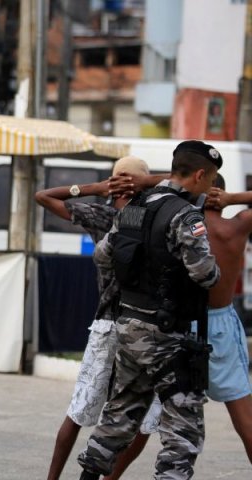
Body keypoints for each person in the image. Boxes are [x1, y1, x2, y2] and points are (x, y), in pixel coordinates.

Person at [77, 140, 222, 479]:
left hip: (128, 325)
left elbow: (102, 255)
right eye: (211, 179)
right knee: (183, 432)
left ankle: (87, 476)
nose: (211, 187)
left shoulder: (134, 208)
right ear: (200, 175)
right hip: (167, 335)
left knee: (121, 413)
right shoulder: (185, 216)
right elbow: (205, 274)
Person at [35, 156, 165, 480]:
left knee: (78, 411)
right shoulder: (156, 219)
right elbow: (187, 184)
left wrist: (93, 187)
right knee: (144, 419)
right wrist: (145, 184)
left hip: (107, 325)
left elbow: (44, 196)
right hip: (147, 328)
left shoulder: (104, 216)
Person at [199, 177, 252, 464]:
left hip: (181, 326)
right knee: (244, 418)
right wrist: (233, 198)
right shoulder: (236, 226)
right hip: (220, 325)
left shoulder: (179, 225)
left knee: (149, 419)